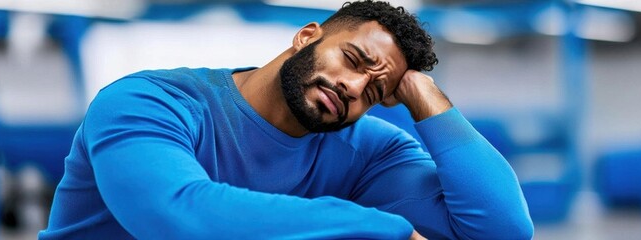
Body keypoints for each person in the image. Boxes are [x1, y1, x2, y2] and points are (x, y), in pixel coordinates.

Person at [39, 1, 533, 239]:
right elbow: (177, 217)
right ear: (306, 36)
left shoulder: (368, 151)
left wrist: (427, 99)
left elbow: (503, 232)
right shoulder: (150, 101)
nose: (355, 87)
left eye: (376, 89)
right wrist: (385, 231)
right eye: (354, 60)